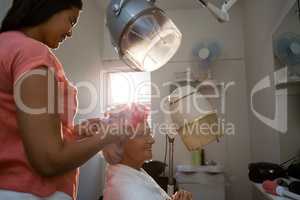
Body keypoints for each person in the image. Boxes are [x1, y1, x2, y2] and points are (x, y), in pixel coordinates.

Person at [0, 0, 126, 199]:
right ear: (47, 7)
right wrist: (109, 136)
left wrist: (75, 133)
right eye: (71, 20)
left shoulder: (7, 45)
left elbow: (19, 134)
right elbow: (48, 160)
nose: (70, 32)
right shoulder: (30, 52)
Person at [102, 103, 193, 200]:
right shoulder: (131, 192)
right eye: (142, 135)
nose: (151, 140)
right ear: (119, 143)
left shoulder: (134, 171)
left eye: (149, 133)